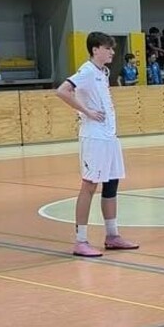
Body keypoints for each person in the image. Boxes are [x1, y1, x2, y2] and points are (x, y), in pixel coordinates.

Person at [55, 32, 139, 257]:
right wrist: (87, 111)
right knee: (89, 185)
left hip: (109, 137)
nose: (112, 52)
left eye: (112, 48)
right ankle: (80, 241)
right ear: (95, 50)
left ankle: (112, 235)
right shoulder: (87, 71)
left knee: (111, 184)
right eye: (108, 48)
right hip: (94, 138)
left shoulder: (103, 72)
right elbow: (62, 91)